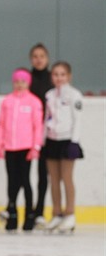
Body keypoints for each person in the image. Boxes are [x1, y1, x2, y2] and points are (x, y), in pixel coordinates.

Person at [0, 69, 43, 232]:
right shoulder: (7, 101)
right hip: (10, 147)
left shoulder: (34, 102)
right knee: (12, 181)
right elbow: (1, 124)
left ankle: (29, 214)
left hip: (26, 147)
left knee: (25, 181)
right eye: (16, 81)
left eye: (23, 81)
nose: (19, 84)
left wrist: (36, 146)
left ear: (28, 82)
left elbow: (38, 126)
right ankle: (12, 213)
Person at [43, 61, 83, 233]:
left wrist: (74, 141)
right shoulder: (49, 95)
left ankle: (70, 214)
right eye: (55, 74)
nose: (59, 78)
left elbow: (78, 119)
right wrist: (43, 138)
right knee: (53, 180)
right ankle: (57, 213)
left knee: (67, 178)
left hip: (67, 140)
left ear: (69, 76)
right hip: (52, 140)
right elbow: (47, 118)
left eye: (62, 74)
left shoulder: (75, 95)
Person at [29, 44, 55, 228]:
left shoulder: (52, 80)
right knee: (22, 173)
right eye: (35, 56)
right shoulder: (26, 79)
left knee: (42, 175)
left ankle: (39, 211)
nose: (39, 59)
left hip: (46, 133)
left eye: (42, 56)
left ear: (47, 58)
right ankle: (26, 210)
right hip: (27, 132)